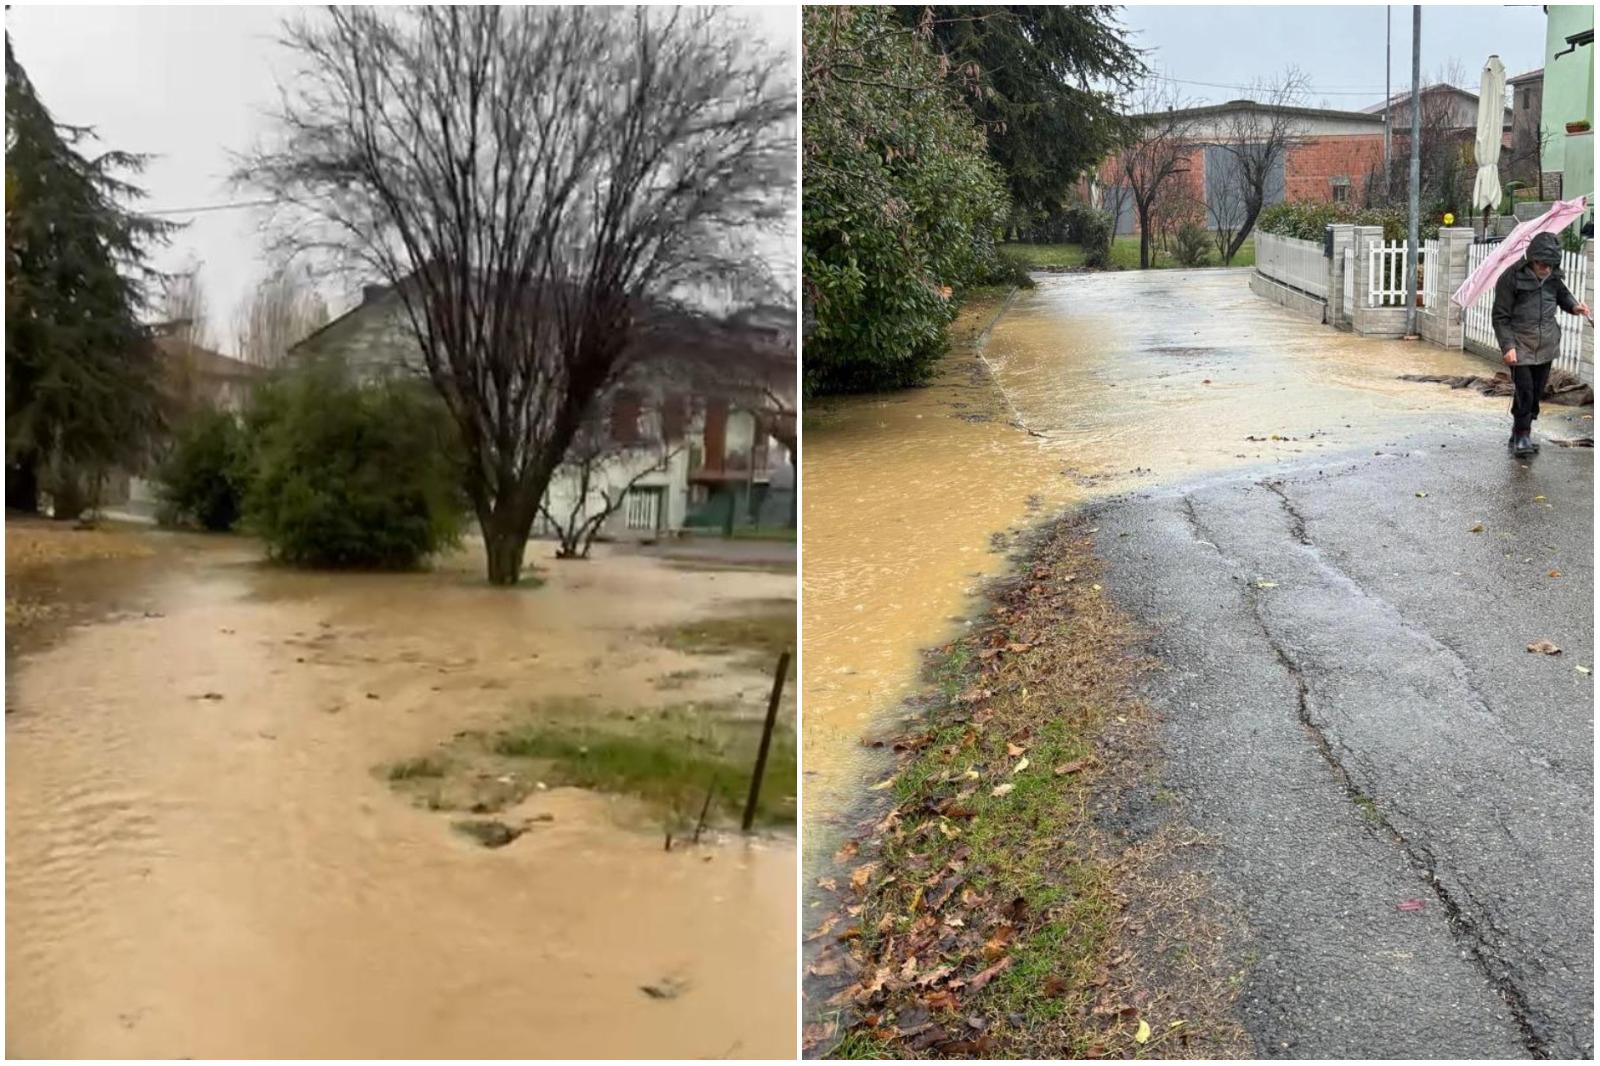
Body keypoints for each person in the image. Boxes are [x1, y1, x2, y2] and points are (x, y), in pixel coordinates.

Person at [1491, 231, 1593, 457]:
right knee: (1525, 391)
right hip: (1520, 345)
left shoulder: (1554, 278)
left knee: (1537, 392)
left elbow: (1563, 296)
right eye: (1541, 264)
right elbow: (1500, 316)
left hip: (1546, 344)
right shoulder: (1511, 278)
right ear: (1531, 258)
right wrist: (1508, 346)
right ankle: (1522, 435)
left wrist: (1574, 307)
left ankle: (1519, 433)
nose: (1545, 269)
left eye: (1550, 264)